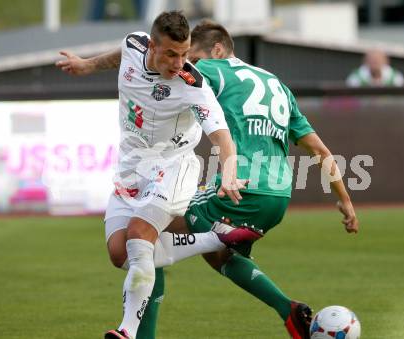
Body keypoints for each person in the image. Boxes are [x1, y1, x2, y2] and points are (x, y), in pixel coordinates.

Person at [136, 20, 360, 339]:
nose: (188, 66)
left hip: (240, 189)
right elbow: (319, 150)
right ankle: (289, 310)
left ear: (216, 50)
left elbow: (165, 69)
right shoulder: (277, 84)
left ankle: (143, 335)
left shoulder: (214, 70)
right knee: (219, 258)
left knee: (149, 232)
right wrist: (346, 200)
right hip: (279, 196)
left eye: (194, 58)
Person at [55, 11, 263, 339]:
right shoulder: (134, 45)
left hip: (174, 167)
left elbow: (222, 136)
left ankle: (127, 330)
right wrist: (87, 65)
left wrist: (229, 172)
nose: (179, 63)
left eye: (184, 54)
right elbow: (122, 54)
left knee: (140, 236)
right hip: (131, 169)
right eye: (171, 54)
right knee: (120, 254)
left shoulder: (193, 85)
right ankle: (214, 237)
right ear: (152, 46)